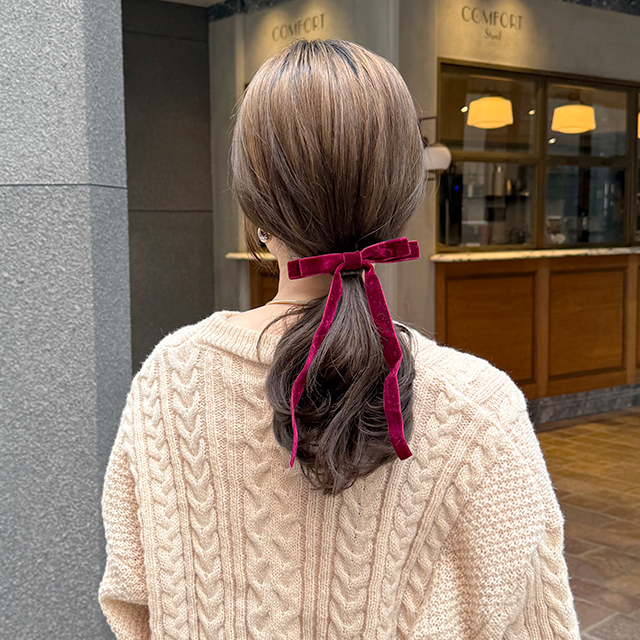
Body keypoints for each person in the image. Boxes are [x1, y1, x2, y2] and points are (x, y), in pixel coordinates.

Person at [99, 39, 580, 640]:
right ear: (401, 203)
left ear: (254, 208)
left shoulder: (170, 381)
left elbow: (131, 603)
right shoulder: (481, 410)